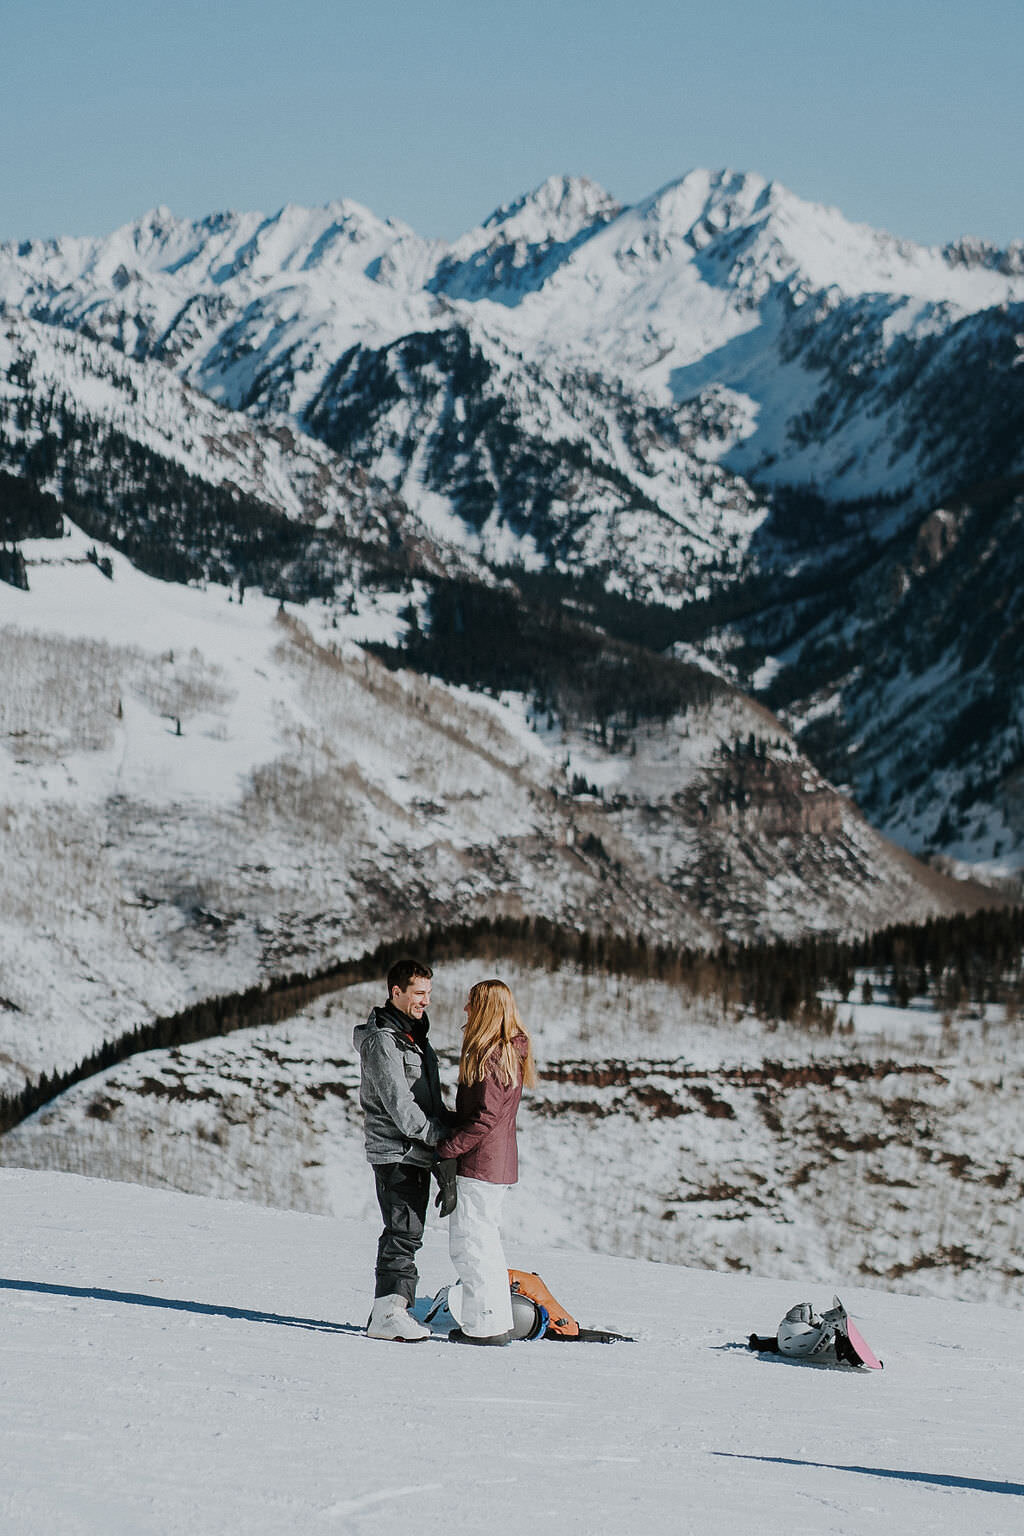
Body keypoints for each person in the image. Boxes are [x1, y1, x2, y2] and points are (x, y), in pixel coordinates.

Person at [353, 957, 450, 1342]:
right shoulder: (382, 1041)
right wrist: (438, 1135)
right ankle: (387, 1313)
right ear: (397, 992)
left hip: (416, 1150)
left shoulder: (413, 1037)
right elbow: (400, 1105)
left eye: (429, 993)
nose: (426, 1001)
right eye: (419, 993)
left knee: (409, 1232)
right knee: (402, 1231)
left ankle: (398, 1309)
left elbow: (429, 1098)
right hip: (396, 1150)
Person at [435, 978, 537, 1345]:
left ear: (487, 1009)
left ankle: (486, 1326)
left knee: (471, 1245)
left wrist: (448, 1148)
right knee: (484, 1243)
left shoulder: (492, 1055)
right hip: (497, 1164)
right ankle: (493, 1321)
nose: (465, 1010)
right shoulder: (510, 1052)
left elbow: (484, 1118)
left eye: (471, 1003)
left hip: (480, 1164)